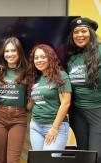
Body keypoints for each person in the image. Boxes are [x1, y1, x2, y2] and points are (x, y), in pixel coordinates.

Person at [66, 17, 101, 162]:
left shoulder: (99, 51)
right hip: (77, 112)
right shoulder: (72, 57)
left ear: (91, 33)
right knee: (83, 154)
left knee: (96, 155)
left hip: (97, 111)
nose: (79, 35)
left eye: (83, 31)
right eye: (76, 32)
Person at [27, 44, 71, 150]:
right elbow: (30, 105)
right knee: (38, 160)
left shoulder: (61, 76)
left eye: (43, 57)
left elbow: (66, 103)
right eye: (36, 58)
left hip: (56, 127)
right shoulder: (35, 79)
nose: (39, 60)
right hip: (36, 127)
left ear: (50, 58)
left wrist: (54, 128)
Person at [0, 37, 28, 163]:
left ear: (19, 53)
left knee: (13, 160)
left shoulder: (28, 71)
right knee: (1, 159)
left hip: (19, 118)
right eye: (7, 51)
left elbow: (34, 93)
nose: (10, 54)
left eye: (13, 51)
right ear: (3, 53)